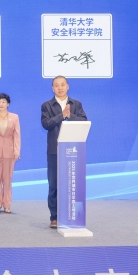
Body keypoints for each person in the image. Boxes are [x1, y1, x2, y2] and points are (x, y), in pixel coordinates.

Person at [41, 75, 87, 229]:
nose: (60, 88)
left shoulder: (76, 104)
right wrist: (62, 116)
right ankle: (54, 217)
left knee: (73, 184)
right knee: (54, 185)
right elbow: (46, 124)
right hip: (54, 150)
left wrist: (70, 115)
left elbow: (84, 121)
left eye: (62, 84)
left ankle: (73, 215)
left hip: (73, 150)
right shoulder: (47, 105)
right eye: (56, 85)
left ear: (68, 86)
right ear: (52, 88)